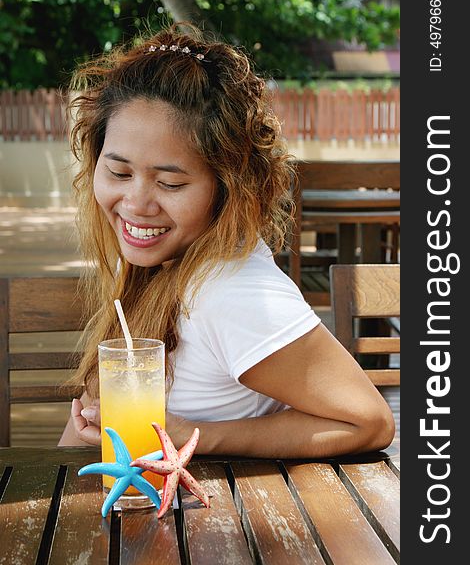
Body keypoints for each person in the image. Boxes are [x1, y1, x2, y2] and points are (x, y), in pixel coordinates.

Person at [59, 23, 395, 457]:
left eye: (170, 183)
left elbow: (368, 421)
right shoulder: (165, 259)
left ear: (227, 186)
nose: (136, 203)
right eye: (119, 173)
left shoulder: (231, 292)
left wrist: (196, 437)